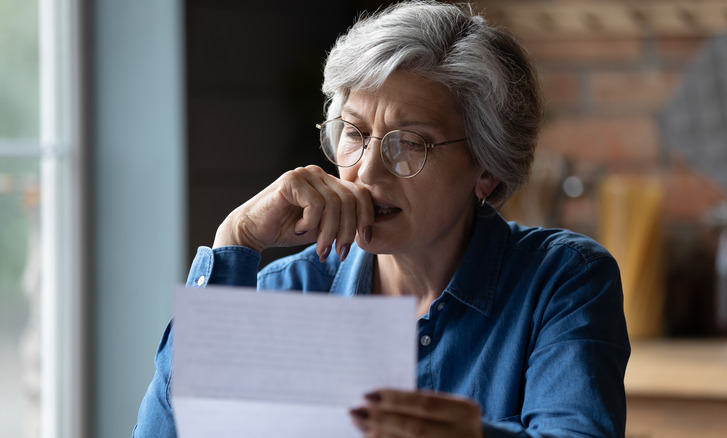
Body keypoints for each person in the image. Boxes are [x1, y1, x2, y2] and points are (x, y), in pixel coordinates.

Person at [133, 1, 630, 437]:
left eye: (410, 143)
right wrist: (234, 242)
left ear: (487, 168)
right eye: (353, 132)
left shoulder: (562, 280)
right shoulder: (291, 290)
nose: (367, 172)